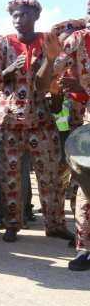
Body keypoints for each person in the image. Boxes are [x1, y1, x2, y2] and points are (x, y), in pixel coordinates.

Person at [0, 0, 72, 242]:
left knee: (51, 175)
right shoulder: (2, 44)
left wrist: (47, 59)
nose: (17, 19)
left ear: (35, 16)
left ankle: (54, 224)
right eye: (14, 15)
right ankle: (13, 223)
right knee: (10, 176)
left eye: (23, 15)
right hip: (11, 121)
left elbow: (50, 83)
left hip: (41, 121)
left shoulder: (48, 42)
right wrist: (9, 70)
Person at [55, 25, 90, 270]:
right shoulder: (78, 39)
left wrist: (83, 88)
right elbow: (55, 70)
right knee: (87, 186)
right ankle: (85, 249)